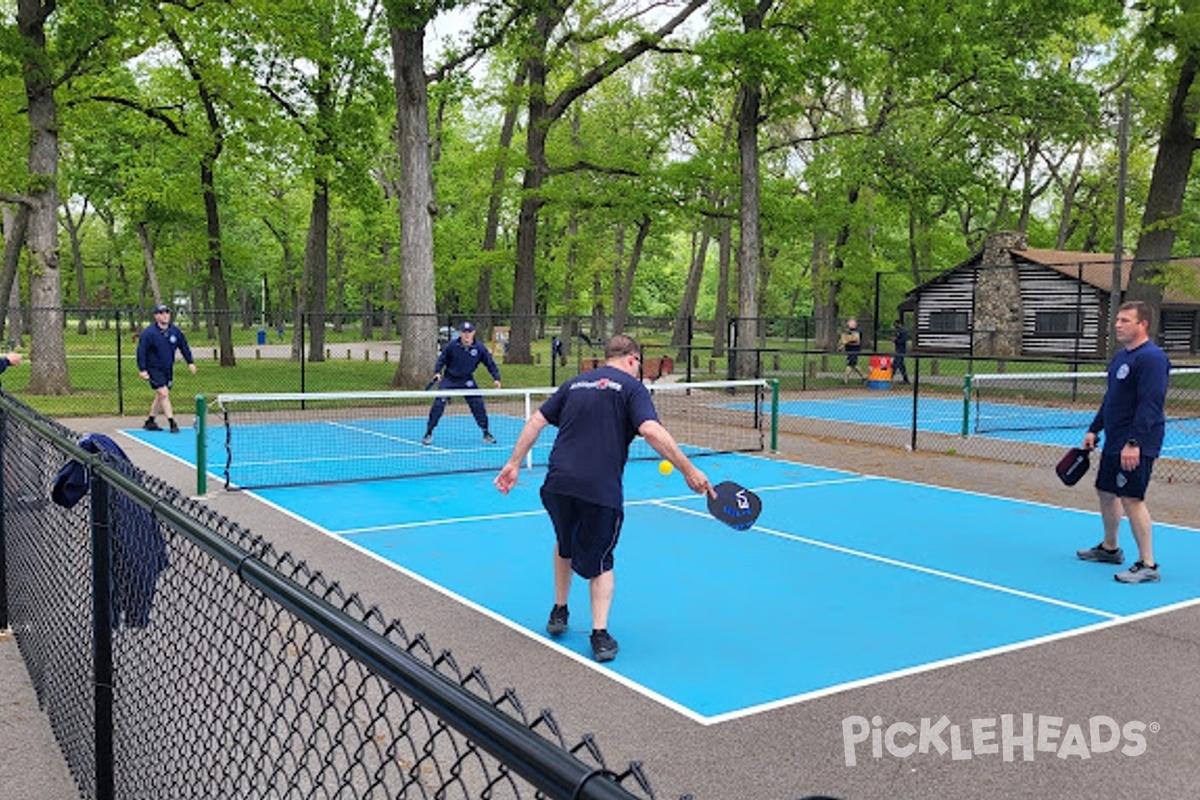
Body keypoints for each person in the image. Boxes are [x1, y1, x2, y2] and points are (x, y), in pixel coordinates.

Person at [493, 334, 714, 663]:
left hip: (558, 483)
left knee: (565, 543)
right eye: (638, 363)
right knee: (601, 559)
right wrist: (688, 469)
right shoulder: (633, 388)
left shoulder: (574, 384)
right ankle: (599, 634)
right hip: (599, 489)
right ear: (632, 359)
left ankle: (559, 610)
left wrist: (513, 463)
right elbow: (651, 430)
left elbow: (536, 421)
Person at [1075, 300, 1171, 584]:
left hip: (1137, 441)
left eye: (1125, 320)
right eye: (1117, 319)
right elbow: (1112, 399)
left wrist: (1134, 441)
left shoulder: (1152, 358)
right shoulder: (1120, 358)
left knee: (1132, 498)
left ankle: (1148, 565)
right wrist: (1095, 429)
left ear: (1143, 325)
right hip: (1115, 439)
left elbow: (1151, 404)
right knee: (1106, 491)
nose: (1117, 324)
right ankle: (1110, 548)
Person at [422, 320, 501, 445]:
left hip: (467, 380)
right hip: (450, 379)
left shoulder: (479, 348)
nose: (467, 335)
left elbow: (490, 364)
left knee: (478, 403)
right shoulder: (451, 346)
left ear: (473, 333)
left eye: (469, 332)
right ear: (460, 333)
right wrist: (437, 372)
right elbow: (441, 360)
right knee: (438, 404)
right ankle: (429, 432)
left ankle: (486, 432)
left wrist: (496, 378)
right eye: (464, 332)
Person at [136, 303, 197, 433]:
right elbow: (141, 352)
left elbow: (184, 347)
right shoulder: (149, 333)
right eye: (161, 313)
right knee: (164, 393)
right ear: (156, 316)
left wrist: (190, 362)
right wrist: (142, 370)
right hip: (153, 368)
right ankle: (172, 423)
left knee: (160, 395)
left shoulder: (175, 331)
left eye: (167, 313)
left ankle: (150, 421)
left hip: (168, 368)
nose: (165, 315)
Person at [839, 318, 864, 383]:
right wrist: (842, 345)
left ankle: (845, 379)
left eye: (851, 322)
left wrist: (847, 341)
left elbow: (857, 341)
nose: (849, 323)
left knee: (850, 364)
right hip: (849, 350)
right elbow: (844, 339)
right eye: (849, 322)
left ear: (855, 323)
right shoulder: (848, 331)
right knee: (854, 364)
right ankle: (864, 377)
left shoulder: (857, 330)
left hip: (854, 350)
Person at [892, 319, 910, 384]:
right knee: (901, 365)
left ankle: (890, 377)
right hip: (897, 349)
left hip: (901, 350)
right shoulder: (897, 331)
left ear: (898, 324)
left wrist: (896, 340)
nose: (894, 326)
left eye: (895, 324)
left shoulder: (904, 331)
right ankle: (906, 380)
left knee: (895, 364)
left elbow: (903, 341)